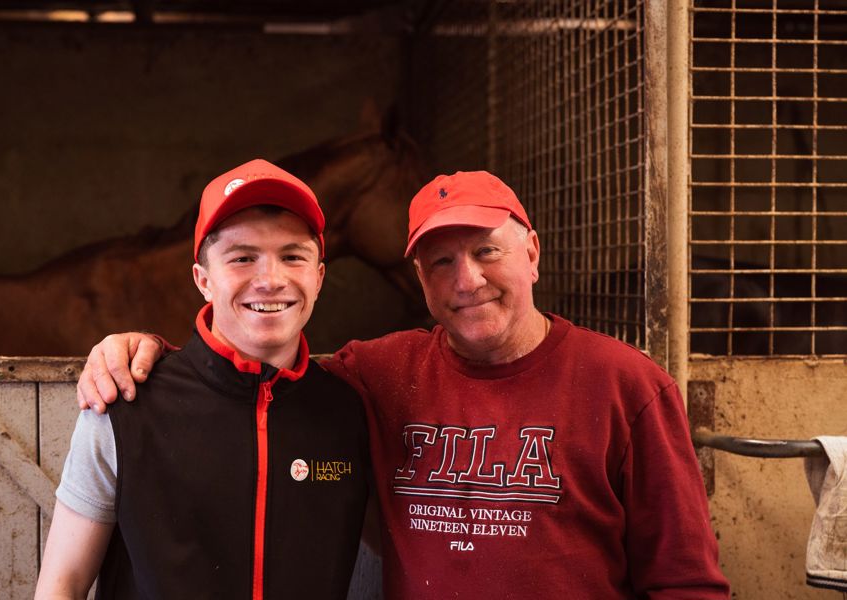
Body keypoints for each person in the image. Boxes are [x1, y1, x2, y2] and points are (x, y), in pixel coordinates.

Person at [76, 170, 730, 599]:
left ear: (531, 252)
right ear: (419, 279)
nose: (466, 280)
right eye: (440, 261)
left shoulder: (627, 386)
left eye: (487, 250)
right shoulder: (380, 372)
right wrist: (153, 354)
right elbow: (253, 376)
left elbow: (686, 583)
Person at [36, 159, 370, 599]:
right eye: (242, 258)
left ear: (319, 277)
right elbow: (62, 584)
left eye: (293, 257)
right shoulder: (126, 404)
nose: (270, 280)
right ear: (203, 280)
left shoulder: (349, 413)